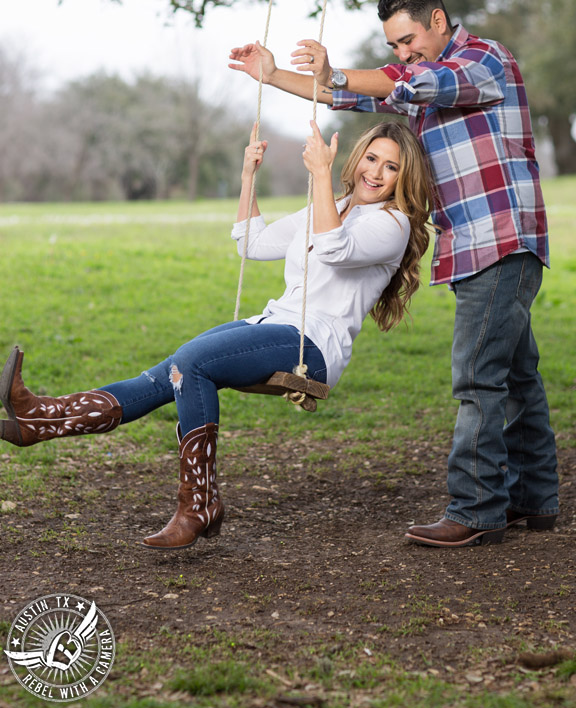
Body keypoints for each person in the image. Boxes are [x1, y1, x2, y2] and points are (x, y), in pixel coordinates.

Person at [229, 0, 559, 548]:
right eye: (394, 47)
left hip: (500, 238)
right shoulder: (420, 83)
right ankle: (533, 498)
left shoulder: (482, 59)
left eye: (408, 39)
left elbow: (410, 83)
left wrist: (336, 71)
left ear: (437, 20)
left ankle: (476, 508)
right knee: (516, 375)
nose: (403, 54)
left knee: (478, 376)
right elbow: (355, 96)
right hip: (478, 246)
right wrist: (274, 74)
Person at [0, 119, 433, 550]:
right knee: (169, 372)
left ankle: (198, 504)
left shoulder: (392, 225)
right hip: (275, 323)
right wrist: (249, 176)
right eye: (371, 159)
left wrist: (320, 174)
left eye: (390, 167)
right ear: (358, 160)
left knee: (193, 363)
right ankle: (42, 419)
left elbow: (334, 248)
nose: (375, 173)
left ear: (403, 176)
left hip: (314, 345)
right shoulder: (331, 205)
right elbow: (253, 243)